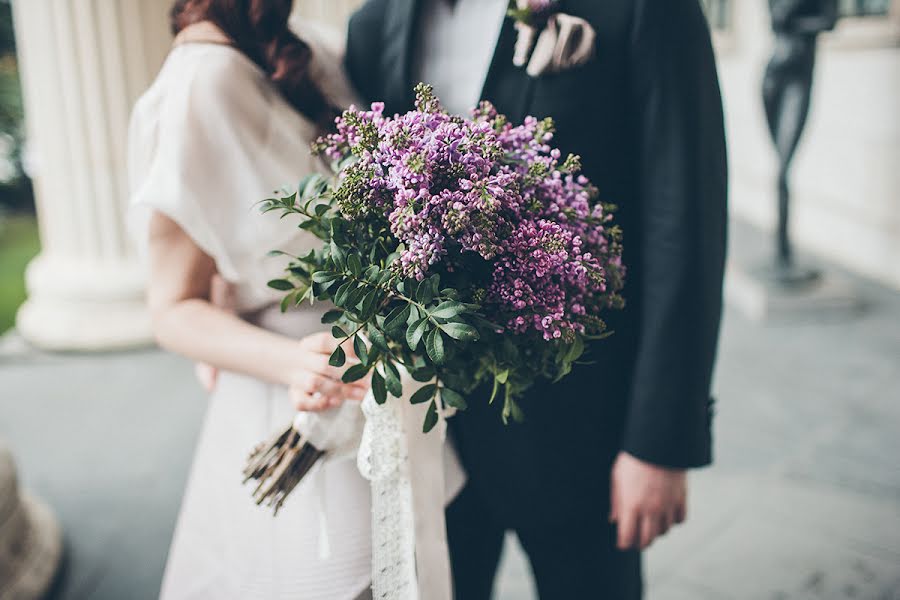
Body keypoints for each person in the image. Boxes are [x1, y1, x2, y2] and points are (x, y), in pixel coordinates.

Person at [345, 0, 728, 597]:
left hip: (584, 432)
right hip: (425, 433)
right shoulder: (372, 26)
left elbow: (684, 220)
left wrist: (659, 440)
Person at [128, 1, 462, 598]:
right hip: (301, 397)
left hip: (397, 377)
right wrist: (300, 364)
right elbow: (171, 310)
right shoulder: (195, 88)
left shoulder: (307, 46)